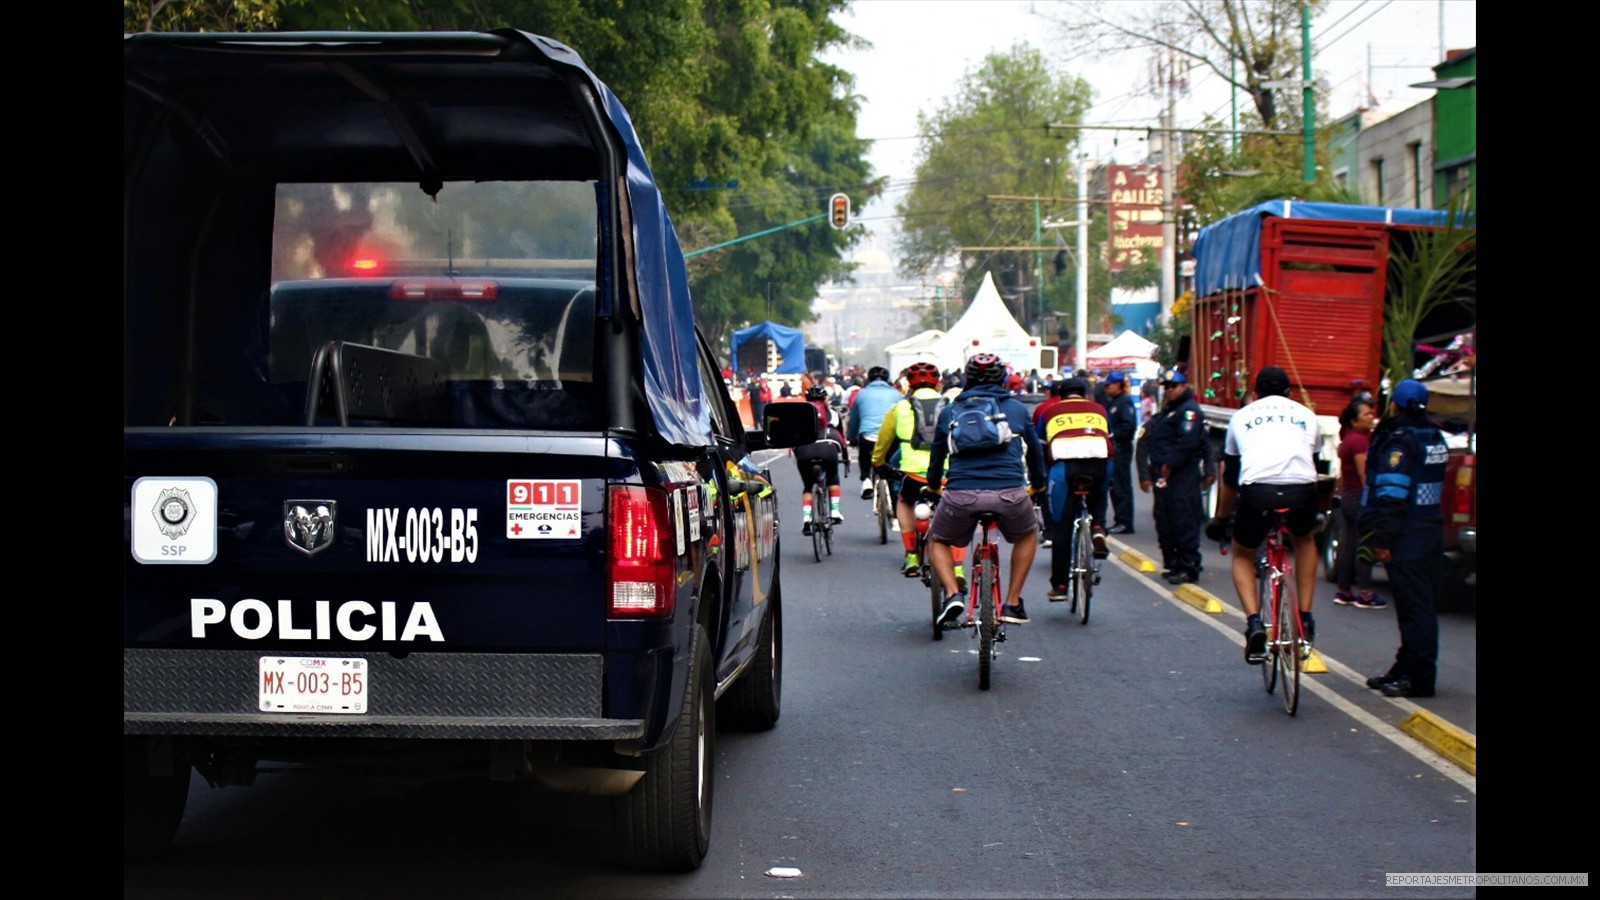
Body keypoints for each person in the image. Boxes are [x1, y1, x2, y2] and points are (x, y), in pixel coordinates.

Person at [1207, 366, 1322, 663]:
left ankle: (1254, 623)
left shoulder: (1241, 416)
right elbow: (1313, 461)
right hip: (1301, 491)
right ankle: (1305, 617)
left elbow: (1230, 479)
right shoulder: (1307, 415)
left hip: (1257, 493)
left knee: (1243, 554)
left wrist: (1220, 518)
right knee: (1305, 540)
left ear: (1255, 392)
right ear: (1289, 392)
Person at [923, 353, 1047, 627]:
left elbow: (937, 457)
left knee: (938, 539)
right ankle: (1013, 603)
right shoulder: (1015, 409)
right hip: (1010, 494)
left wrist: (933, 487)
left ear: (967, 378)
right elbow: (1036, 453)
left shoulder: (951, 411)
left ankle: (953, 594)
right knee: (1028, 535)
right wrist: (1038, 485)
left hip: (961, 495)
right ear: (1002, 378)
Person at [1358, 379, 1449, 698]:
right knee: (1416, 605)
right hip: (1428, 529)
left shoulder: (1400, 442)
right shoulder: (1433, 435)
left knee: (1415, 608)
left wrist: (1382, 539)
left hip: (1407, 534)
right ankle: (1406, 667)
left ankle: (1419, 677)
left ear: (1394, 404)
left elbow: (1393, 494)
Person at [873, 361, 964, 582]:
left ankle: (912, 555)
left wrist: (878, 462)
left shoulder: (899, 408)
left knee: (904, 501)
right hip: (945, 473)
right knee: (957, 513)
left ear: (908, 384)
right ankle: (959, 568)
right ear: (938, 383)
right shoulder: (951, 406)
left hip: (913, 473)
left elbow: (883, 441)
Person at [1034, 377, 1111, 601]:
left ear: (1060, 395)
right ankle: (1097, 527)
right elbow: (1111, 441)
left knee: (1061, 527)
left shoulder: (1051, 411)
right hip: (1099, 464)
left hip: (1065, 468)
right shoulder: (1099, 410)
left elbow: (1040, 448)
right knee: (1102, 487)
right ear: (1086, 393)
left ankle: (1059, 586)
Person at [1136, 368, 1209, 584]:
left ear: (1184, 387)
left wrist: (1170, 463)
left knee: (1183, 519)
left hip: (1182, 473)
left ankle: (1189, 566)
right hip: (1163, 473)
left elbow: (1188, 442)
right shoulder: (1168, 411)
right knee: (1164, 519)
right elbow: (1146, 439)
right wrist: (1146, 473)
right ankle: (1175, 562)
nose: (1169, 391)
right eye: (1166, 387)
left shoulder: (1189, 412)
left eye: (1173, 387)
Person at [1332, 398, 1383, 609]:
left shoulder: (1348, 439)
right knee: (1365, 544)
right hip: (1360, 496)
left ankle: (1344, 591)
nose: (1371, 416)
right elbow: (1364, 473)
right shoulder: (1360, 441)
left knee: (1348, 544)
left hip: (1348, 497)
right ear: (1354, 421)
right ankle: (1365, 593)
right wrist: (1372, 499)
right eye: (1366, 414)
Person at [792, 384, 849, 534]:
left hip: (804, 451)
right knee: (833, 479)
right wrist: (846, 457)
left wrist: (799, 456)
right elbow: (842, 438)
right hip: (828, 449)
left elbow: (793, 440)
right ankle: (835, 511)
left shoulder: (799, 414)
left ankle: (806, 519)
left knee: (808, 486)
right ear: (825, 399)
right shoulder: (833, 414)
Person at [847, 365, 903, 499]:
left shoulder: (862, 394)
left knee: (864, 455)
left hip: (868, 436)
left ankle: (866, 479)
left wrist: (851, 436)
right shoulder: (897, 394)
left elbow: (854, 419)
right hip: (891, 436)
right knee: (890, 461)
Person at [1102, 371, 1138, 534]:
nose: (1107, 388)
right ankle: (1120, 518)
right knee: (1114, 486)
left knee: (1120, 485)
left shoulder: (1124, 403)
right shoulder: (1113, 402)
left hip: (1121, 448)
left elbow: (1128, 427)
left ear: (1118, 385)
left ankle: (1125, 521)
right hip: (1114, 448)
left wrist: (1112, 436)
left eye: (1109, 385)